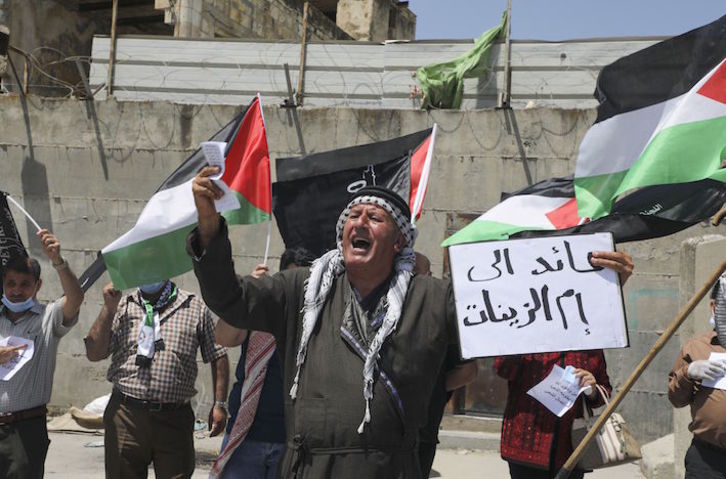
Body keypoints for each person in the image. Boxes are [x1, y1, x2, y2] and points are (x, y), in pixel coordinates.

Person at [189, 169, 461, 478]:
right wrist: (209, 227)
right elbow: (230, 298)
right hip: (310, 468)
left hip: (389, 469)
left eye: (374, 217)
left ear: (399, 240)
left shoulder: (429, 298)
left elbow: (492, 319)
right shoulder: (300, 290)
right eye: (353, 215)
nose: (359, 222)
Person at [494, 251, 633, 479]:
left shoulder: (588, 339)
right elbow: (502, 369)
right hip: (526, 446)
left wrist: (591, 388)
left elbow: (604, 389)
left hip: (571, 450)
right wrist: (518, 342)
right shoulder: (526, 328)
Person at [84, 279, 230, 479]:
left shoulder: (193, 305)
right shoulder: (123, 305)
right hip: (126, 416)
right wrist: (108, 309)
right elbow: (94, 353)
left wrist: (219, 404)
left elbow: (218, 354)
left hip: (174, 418)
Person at [211, 247, 315, 479]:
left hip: (294, 442)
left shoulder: (321, 319)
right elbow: (223, 338)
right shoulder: (263, 308)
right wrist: (245, 296)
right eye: (291, 280)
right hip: (247, 436)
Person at [0, 229, 84, 478]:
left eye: (25, 284)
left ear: (38, 286)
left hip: (24, 429)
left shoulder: (49, 317)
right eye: (11, 284)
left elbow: (76, 298)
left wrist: (58, 261)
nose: (16, 290)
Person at [413, 252, 478, 478]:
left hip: (420, 433)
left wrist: (431, 388)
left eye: (413, 273)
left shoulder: (441, 317)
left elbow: (468, 371)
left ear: (429, 276)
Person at [668, 275, 726, 478]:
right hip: (708, 459)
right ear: (714, 307)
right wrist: (688, 373)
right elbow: (676, 400)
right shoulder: (696, 347)